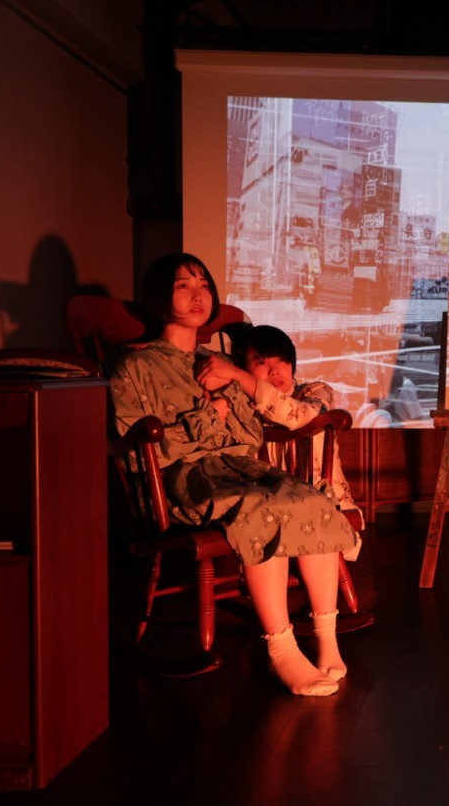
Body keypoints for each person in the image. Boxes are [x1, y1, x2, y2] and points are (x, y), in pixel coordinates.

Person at [110, 253, 356, 697]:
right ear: (160, 295)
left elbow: (248, 435)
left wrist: (231, 384)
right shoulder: (136, 367)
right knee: (261, 508)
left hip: (238, 467)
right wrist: (212, 414)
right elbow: (145, 451)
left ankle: (326, 639)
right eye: (183, 285)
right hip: (183, 478)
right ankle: (282, 649)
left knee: (310, 498)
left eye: (203, 284)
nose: (197, 294)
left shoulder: (215, 362)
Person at [216, 323, 378, 612]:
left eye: (281, 361)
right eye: (261, 363)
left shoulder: (315, 392)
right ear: (243, 367)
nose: (274, 371)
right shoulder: (239, 404)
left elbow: (299, 416)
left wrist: (241, 377)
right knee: (265, 604)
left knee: (354, 602)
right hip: (270, 517)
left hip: (326, 511)